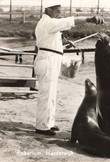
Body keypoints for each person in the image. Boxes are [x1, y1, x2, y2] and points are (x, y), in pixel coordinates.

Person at [34, 2, 75, 135]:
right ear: (48, 10)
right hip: (47, 61)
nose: (59, 14)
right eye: (57, 11)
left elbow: (50, 42)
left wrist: (63, 44)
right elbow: (68, 22)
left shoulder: (49, 23)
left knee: (51, 94)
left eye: (60, 11)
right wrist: (89, 19)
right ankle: (41, 126)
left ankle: (48, 123)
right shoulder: (48, 22)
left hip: (50, 59)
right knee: (46, 94)